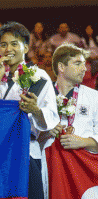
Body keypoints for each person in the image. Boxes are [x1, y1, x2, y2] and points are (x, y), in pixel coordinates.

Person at [0, 21, 59, 199]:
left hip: (26, 151)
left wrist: (35, 110)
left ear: (26, 47)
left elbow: (50, 115)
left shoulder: (38, 76)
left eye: (14, 44)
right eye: (3, 44)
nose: (8, 49)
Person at [42, 43, 98, 198]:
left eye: (84, 64)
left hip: (82, 172)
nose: (84, 69)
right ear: (61, 67)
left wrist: (84, 141)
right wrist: (45, 131)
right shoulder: (44, 96)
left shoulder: (94, 97)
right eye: (78, 63)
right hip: (49, 167)